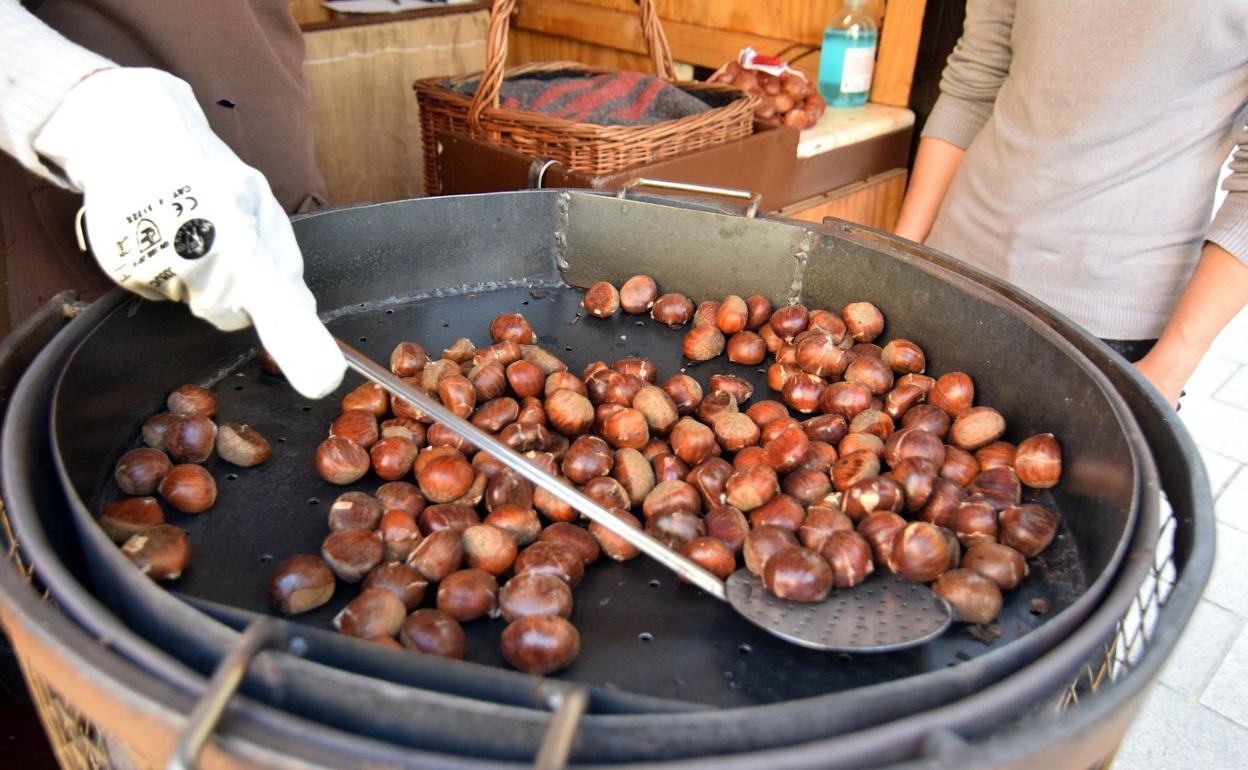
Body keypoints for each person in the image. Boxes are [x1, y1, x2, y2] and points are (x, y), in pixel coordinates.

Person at [894, 0, 1248, 407]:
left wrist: (1170, 367)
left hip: (1109, 324)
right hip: (949, 270)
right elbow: (975, 82)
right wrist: (901, 256)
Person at [0, 0, 346, 398]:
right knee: (101, 390)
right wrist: (77, 112)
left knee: (291, 313)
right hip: (109, 168)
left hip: (262, 105)